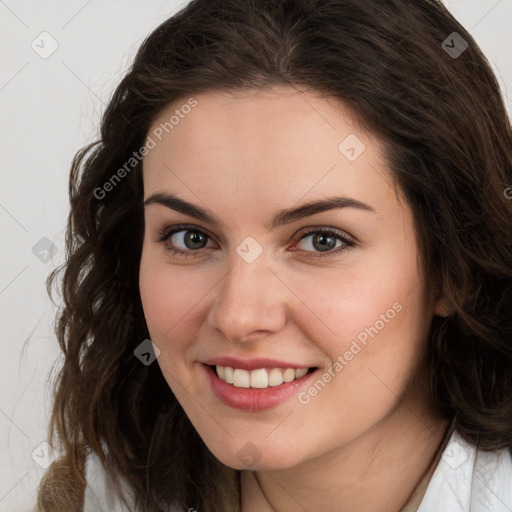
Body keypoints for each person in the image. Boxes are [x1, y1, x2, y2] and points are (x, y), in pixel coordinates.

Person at [35, 0, 512, 511]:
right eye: (191, 238)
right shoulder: (90, 495)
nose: (238, 317)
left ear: (453, 269)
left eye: (321, 240)